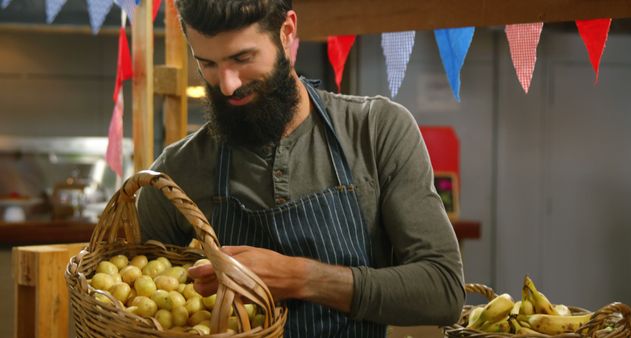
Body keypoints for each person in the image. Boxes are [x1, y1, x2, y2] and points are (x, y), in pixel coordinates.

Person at [136, 0, 465, 336]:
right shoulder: (177, 170)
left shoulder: (376, 130)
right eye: (207, 63)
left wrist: (300, 277)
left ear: (287, 32)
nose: (228, 84)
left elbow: (443, 290)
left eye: (242, 58)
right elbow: (130, 289)